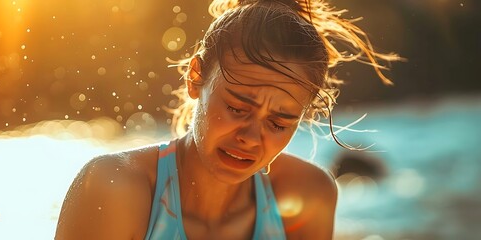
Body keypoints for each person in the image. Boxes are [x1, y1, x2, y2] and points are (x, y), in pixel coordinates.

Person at [55, 0, 399, 239]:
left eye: (279, 123)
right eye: (237, 108)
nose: (251, 137)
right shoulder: (115, 189)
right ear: (195, 78)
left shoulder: (309, 194)